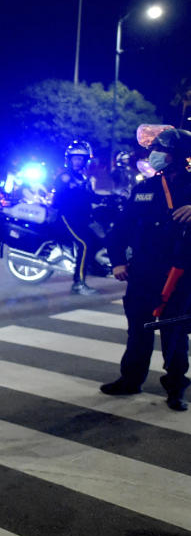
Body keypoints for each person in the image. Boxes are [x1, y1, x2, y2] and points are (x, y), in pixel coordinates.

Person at [101, 127, 191, 411]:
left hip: (178, 275)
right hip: (142, 272)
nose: (155, 156)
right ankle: (130, 380)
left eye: (162, 151)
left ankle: (176, 388)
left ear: (177, 157)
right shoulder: (145, 188)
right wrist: (117, 260)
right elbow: (122, 228)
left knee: (173, 334)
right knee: (137, 330)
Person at [51, 140, 100, 295]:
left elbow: (91, 197)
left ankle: (90, 268)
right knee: (85, 244)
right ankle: (78, 284)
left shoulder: (83, 178)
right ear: (69, 159)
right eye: (75, 158)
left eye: (81, 159)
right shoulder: (64, 177)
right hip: (66, 217)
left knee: (97, 240)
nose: (78, 161)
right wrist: (75, 193)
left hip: (80, 218)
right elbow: (58, 199)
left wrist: (111, 197)